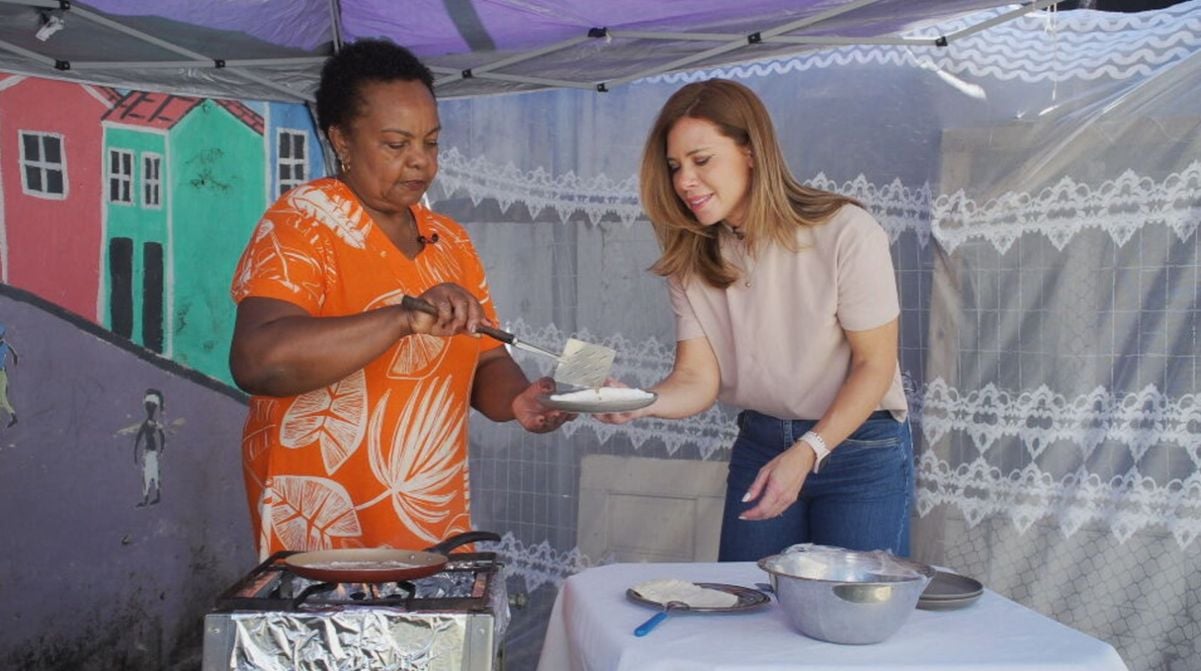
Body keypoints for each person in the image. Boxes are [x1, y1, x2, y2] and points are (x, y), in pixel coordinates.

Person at [229, 39, 571, 558]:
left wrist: (519, 401)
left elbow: (486, 358)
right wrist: (402, 318)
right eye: (396, 144)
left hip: (426, 511)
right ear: (341, 138)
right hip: (326, 522)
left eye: (430, 143)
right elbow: (259, 360)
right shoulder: (304, 221)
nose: (420, 163)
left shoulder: (448, 239)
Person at [598, 79, 913, 561]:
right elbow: (696, 379)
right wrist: (641, 402)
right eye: (675, 166)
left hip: (859, 449)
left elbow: (875, 365)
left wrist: (809, 449)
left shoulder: (846, 231)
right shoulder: (692, 257)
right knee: (748, 613)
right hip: (763, 443)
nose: (684, 181)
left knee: (851, 618)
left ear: (750, 151)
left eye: (701, 160)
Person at [134, 389, 166, 507]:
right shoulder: (148, 423)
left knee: (153, 474)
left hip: (151, 452)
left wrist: (162, 449)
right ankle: (148, 497)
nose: (150, 408)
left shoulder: (153, 423)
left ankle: (153, 496)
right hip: (148, 452)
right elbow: (138, 438)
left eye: (152, 406)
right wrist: (135, 454)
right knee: (149, 475)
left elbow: (162, 435)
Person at [0, 324, 18, 428]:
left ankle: (14, 416)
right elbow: (12, 350)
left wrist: (15, 357)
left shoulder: (3, 347)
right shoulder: (5, 345)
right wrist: (15, 357)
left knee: (2, 398)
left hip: (1, 375)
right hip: (2, 373)